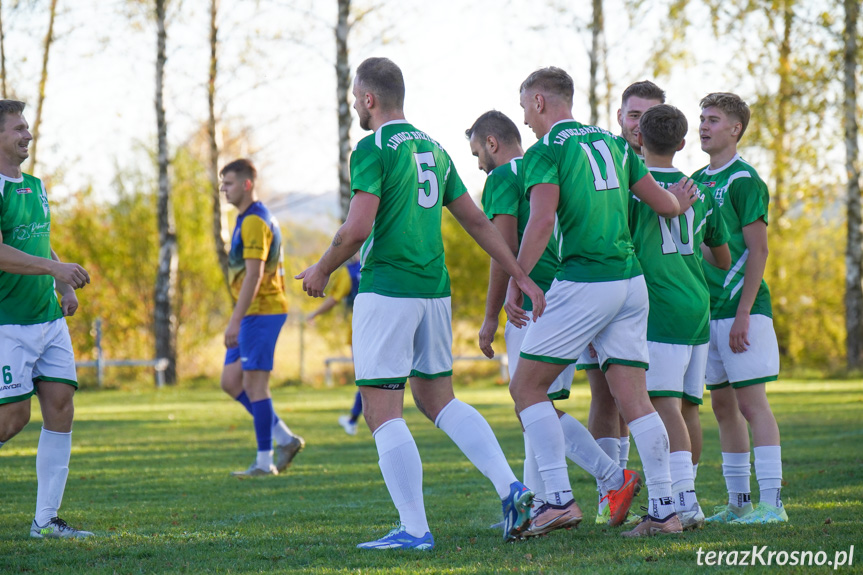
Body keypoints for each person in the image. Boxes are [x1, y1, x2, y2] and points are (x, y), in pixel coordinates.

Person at [297, 57, 546, 549]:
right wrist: (520, 273)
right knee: (438, 399)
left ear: (369, 98)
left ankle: (414, 529)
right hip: (435, 291)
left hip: (388, 290)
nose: (352, 103)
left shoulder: (373, 148)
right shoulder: (433, 148)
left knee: (381, 410)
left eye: (354, 95)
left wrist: (323, 267)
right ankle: (513, 489)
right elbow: (478, 222)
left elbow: (358, 227)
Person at [505, 67, 696, 538]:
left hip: (586, 279)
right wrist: (683, 201)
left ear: (542, 102)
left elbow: (542, 220)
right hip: (632, 283)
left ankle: (556, 500)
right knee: (635, 399)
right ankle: (665, 510)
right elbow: (665, 205)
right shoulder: (614, 144)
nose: (525, 117)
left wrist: (518, 278)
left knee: (527, 389)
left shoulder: (547, 149)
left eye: (526, 104)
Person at [467, 110, 639, 531]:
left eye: (476, 152)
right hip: (578, 292)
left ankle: (603, 481)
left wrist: (491, 316)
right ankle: (541, 503)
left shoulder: (503, 178)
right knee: (536, 406)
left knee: (530, 399)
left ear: (492, 143)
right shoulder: (554, 159)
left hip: (536, 304)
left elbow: (501, 251)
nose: (477, 164)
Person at [629, 104, 731, 529]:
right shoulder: (699, 189)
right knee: (689, 407)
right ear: (683, 143)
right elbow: (722, 258)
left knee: (663, 405)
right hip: (697, 304)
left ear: (639, 139)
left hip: (661, 306)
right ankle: (686, 499)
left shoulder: (634, 188)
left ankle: (681, 502)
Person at [0, 99, 94, 538]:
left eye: (28, 126)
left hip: (48, 319)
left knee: (61, 407)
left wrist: (62, 283)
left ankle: (46, 520)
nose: (28, 134)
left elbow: (39, 242)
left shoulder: (35, 185)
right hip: (9, 323)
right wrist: (55, 270)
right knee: (12, 420)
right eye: (18, 128)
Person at [691, 93, 786, 524]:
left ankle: (772, 505)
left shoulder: (745, 180)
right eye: (701, 119)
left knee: (753, 405)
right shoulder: (693, 180)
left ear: (735, 129)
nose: (704, 126)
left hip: (742, 312)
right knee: (723, 407)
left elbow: (759, 250)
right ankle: (738, 503)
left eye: (713, 120)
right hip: (707, 313)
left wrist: (744, 313)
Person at [219, 158, 304, 477]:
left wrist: (235, 320)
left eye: (228, 183)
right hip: (253, 311)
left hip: (262, 311)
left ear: (247, 184)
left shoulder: (255, 221)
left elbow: (254, 276)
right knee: (231, 382)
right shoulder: (247, 218)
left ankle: (264, 462)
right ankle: (285, 438)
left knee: (256, 386)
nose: (224, 190)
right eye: (222, 184)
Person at [305, 256, 363, 435]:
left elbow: (334, 298)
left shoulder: (351, 272)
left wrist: (314, 314)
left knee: (366, 379)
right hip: (389, 326)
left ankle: (356, 419)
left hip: (360, 328)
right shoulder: (386, 261)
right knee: (382, 378)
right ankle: (354, 418)